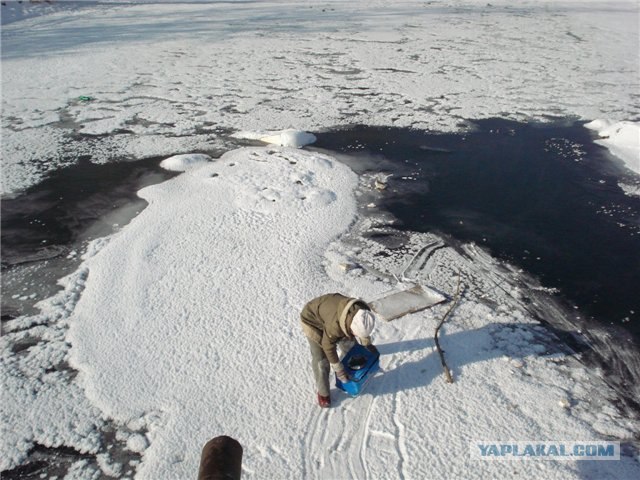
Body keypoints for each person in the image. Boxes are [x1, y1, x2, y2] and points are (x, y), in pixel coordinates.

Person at [300, 293, 379, 408]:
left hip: (333, 317)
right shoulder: (335, 327)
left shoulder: (363, 313)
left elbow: (363, 328)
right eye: (354, 333)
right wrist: (339, 369)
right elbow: (328, 346)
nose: (354, 335)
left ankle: (352, 367)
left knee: (352, 347)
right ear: (351, 326)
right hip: (312, 321)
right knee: (321, 360)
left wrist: (367, 344)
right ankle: (323, 393)